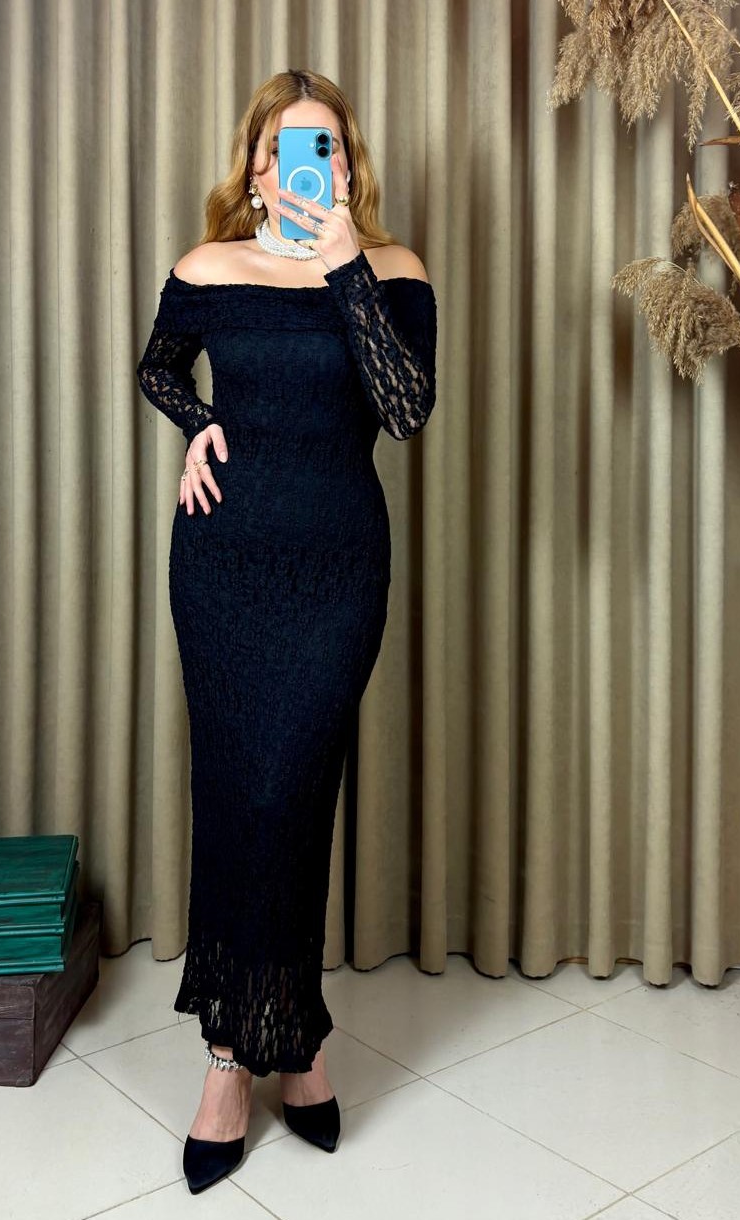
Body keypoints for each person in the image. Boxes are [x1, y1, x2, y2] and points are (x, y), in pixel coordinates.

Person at [136, 67, 437, 1194]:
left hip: (337, 568)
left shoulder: (394, 273)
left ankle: (290, 1031)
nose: (307, 166)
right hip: (222, 564)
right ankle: (240, 1055)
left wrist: (345, 260)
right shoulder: (209, 267)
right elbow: (158, 365)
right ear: (257, 170)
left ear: (348, 165)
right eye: (285, 150)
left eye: (328, 147)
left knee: (296, 791)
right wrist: (199, 424)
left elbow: (405, 408)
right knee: (237, 791)